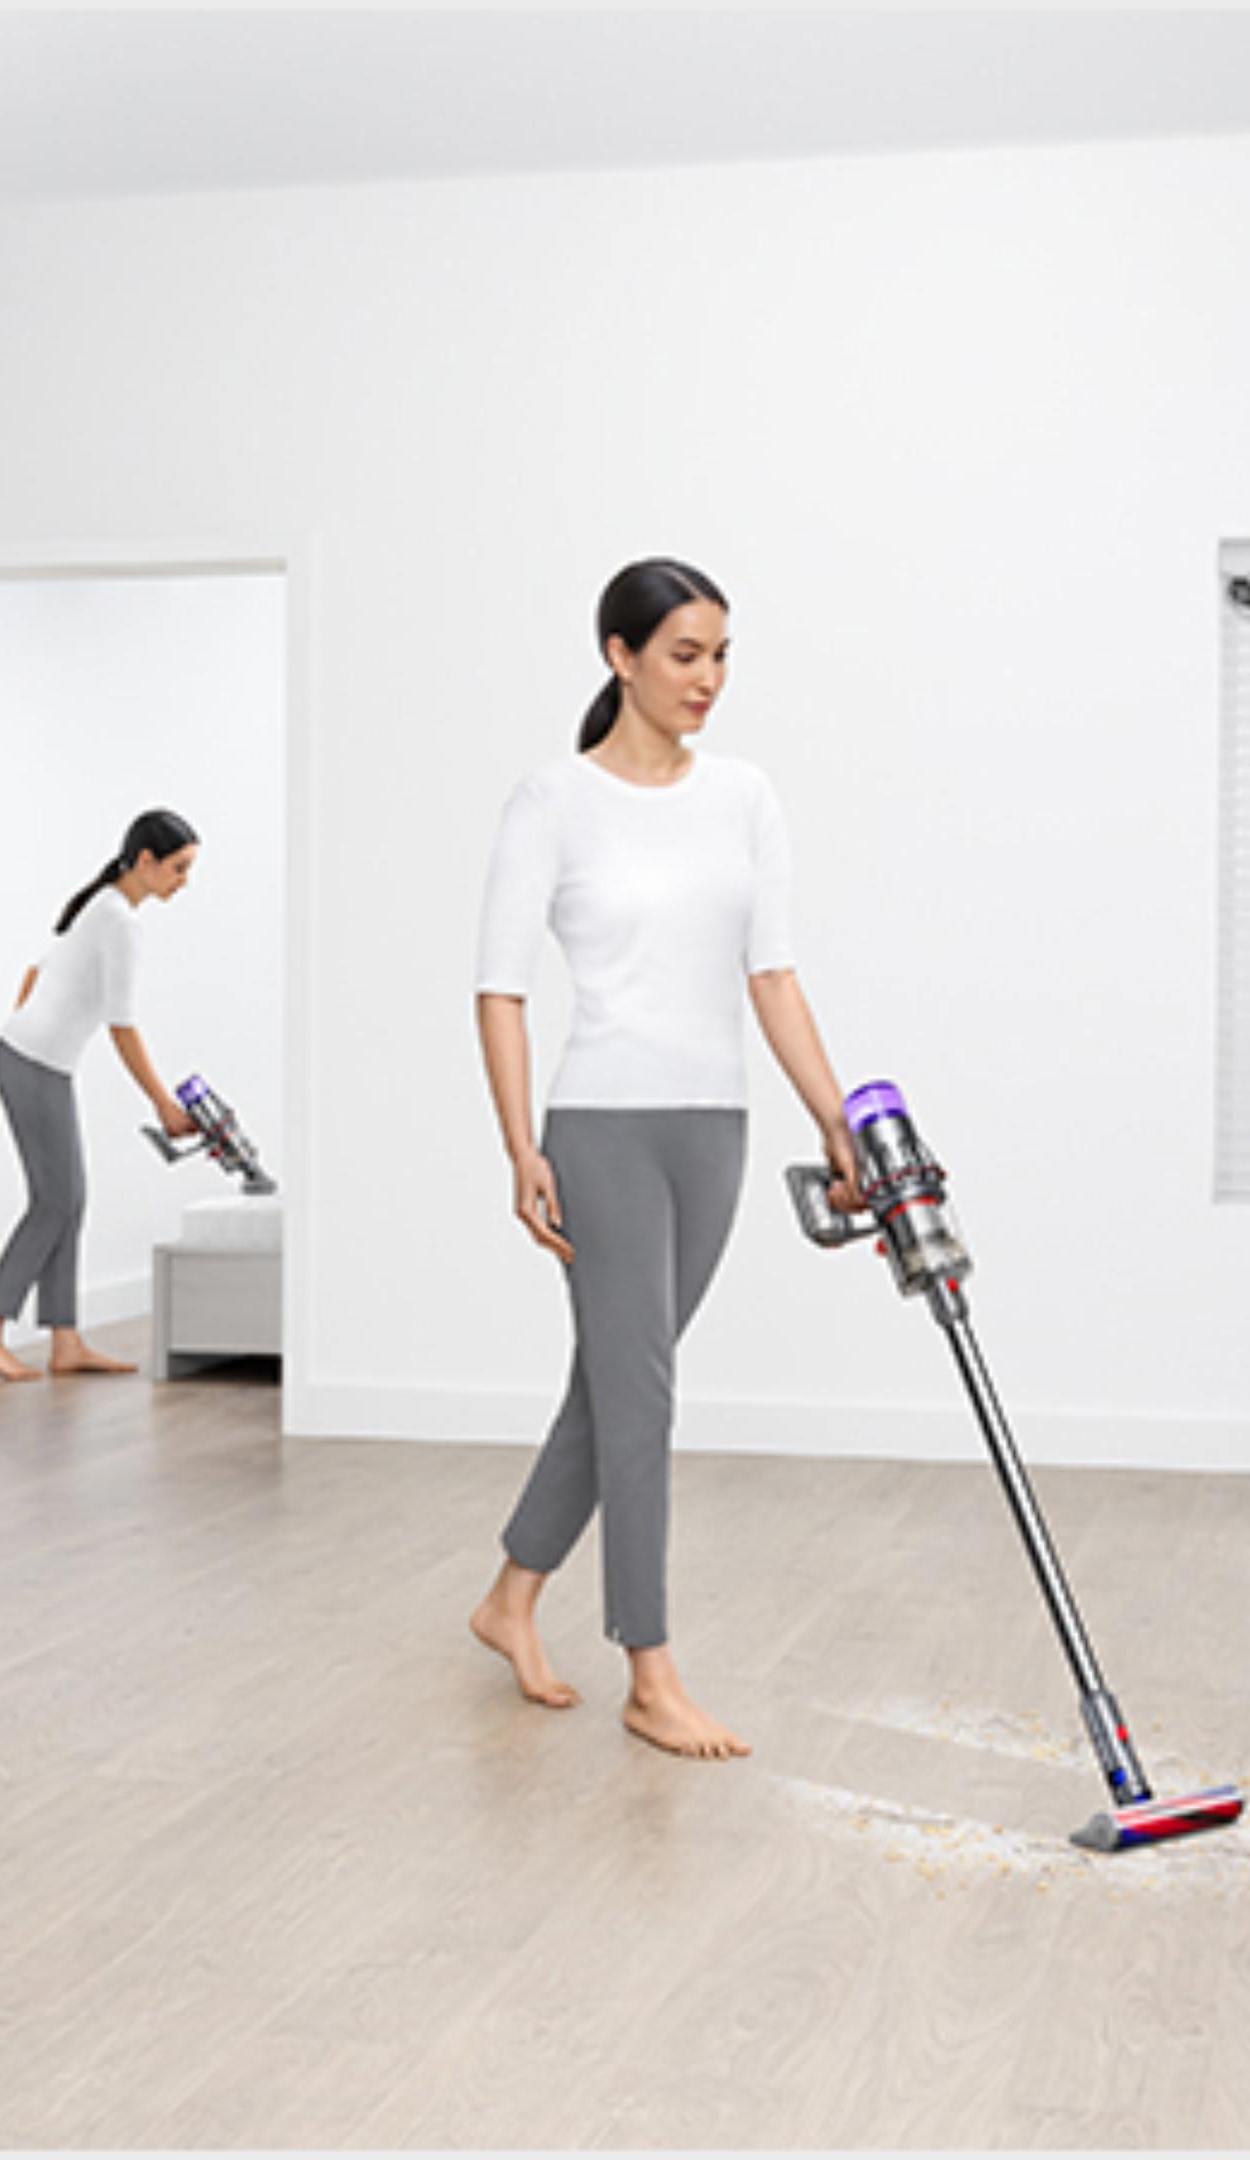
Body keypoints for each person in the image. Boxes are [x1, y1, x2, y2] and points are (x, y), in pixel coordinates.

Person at [468, 557, 866, 1760]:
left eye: (723, 656)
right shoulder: (551, 802)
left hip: (716, 1131)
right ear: (620, 656)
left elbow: (773, 976)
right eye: (686, 655)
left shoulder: (745, 795)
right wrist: (521, 1146)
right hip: (602, 1130)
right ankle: (650, 1670)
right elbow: (499, 988)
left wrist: (835, 1122)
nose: (709, 679)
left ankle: (508, 1601)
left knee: (615, 1383)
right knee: (643, 1394)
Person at [0, 808, 202, 1384]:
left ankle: (64, 1339)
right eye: (178, 868)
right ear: (145, 862)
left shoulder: (102, 905)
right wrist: (164, 1105)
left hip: (36, 1060)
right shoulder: (120, 921)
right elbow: (123, 1024)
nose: (183, 882)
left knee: (70, 1199)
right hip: (33, 1065)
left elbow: (35, 971)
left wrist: (33, 1028)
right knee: (54, 1202)